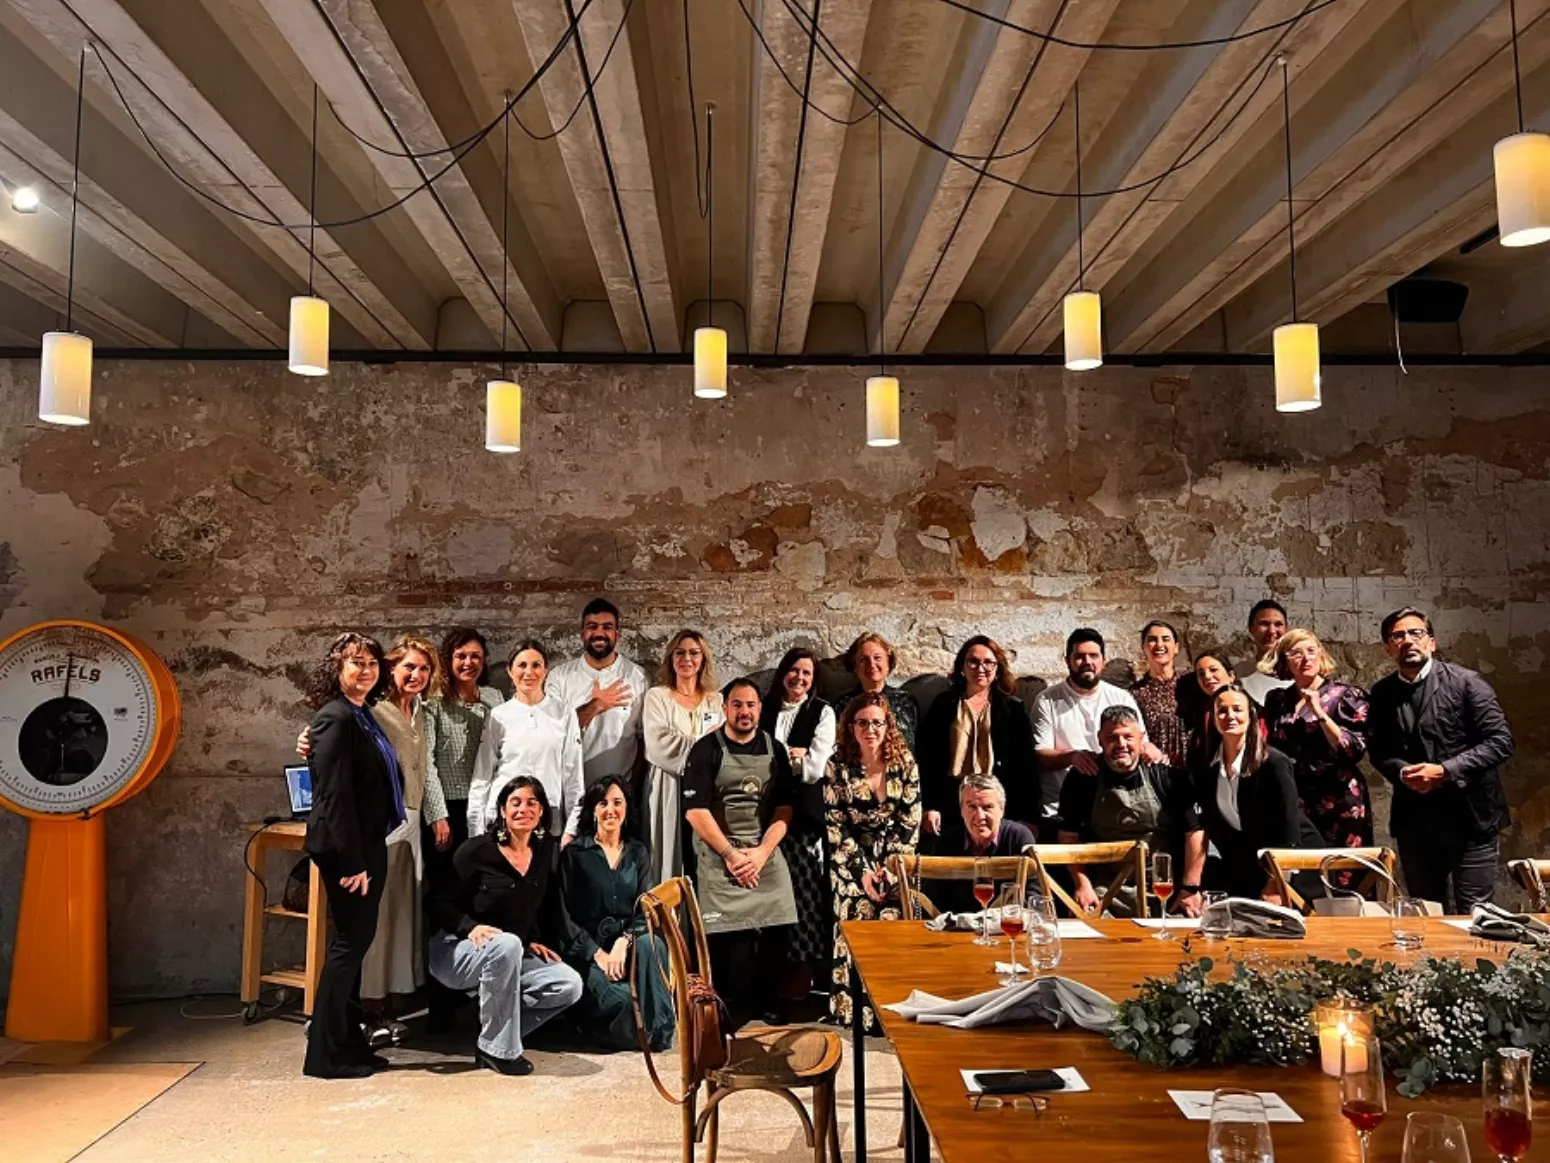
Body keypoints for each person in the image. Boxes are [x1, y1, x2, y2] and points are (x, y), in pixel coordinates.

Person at [426, 777, 585, 1075]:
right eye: (516, 803)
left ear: (541, 811)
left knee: (568, 984)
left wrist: (532, 938)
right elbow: (436, 902)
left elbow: (532, 904)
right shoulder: (476, 851)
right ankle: (499, 1052)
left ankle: (490, 1029)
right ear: (502, 810)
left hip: (511, 950)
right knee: (507, 943)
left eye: (532, 803)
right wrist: (469, 927)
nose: (524, 809)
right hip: (455, 950)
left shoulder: (545, 850)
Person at [301, 633, 405, 1079]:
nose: (366, 670)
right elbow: (334, 795)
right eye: (356, 663)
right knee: (349, 947)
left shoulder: (361, 714)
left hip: (366, 843)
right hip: (349, 850)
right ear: (337, 669)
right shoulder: (335, 717)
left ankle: (350, 1045)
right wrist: (353, 862)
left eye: (372, 663)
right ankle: (323, 1056)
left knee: (355, 946)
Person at [1369, 607, 1515, 910]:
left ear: (1431, 643)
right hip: (1416, 823)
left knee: (1475, 913)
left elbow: (1500, 741)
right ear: (1388, 649)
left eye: (1416, 633)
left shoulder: (1467, 683)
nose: (1408, 641)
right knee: (1426, 911)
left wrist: (1446, 771)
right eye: (1398, 636)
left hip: (1471, 819)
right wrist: (1404, 773)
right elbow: (1380, 750)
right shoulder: (1382, 693)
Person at [681, 677, 797, 1028]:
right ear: (725, 708)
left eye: (750, 705)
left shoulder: (775, 749)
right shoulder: (705, 750)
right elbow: (696, 812)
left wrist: (761, 854)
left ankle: (769, 1000)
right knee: (725, 938)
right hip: (719, 851)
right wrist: (732, 855)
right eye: (737, 705)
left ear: (759, 709)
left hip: (763, 849)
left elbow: (784, 809)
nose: (744, 712)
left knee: (780, 920)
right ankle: (724, 1006)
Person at [361, 635, 443, 1036]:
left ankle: (392, 1002)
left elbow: (426, 767)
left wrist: (436, 815)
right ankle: (370, 1007)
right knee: (379, 915)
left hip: (412, 823)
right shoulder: (373, 709)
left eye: (424, 668)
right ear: (392, 667)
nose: (416, 674)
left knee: (404, 912)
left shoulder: (422, 712)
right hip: (382, 823)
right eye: (409, 666)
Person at [824, 692, 920, 1031]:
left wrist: (890, 871)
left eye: (877, 723)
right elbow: (836, 826)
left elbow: (910, 822)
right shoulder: (837, 765)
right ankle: (857, 1012)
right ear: (851, 727)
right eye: (862, 723)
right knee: (860, 910)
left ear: (888, 726)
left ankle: (892, 1011)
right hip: (851, 860)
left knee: (894, 915)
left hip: (895, 861)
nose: (870, 729)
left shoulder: (904, 762)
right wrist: (863, 873)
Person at [559, 777, 674, 1052]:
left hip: (626, 946)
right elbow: (563, 916)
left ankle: (659, 1033)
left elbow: (645, 907)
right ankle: (596, 1026)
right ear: (593, 810)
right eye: (602, 803)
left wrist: (625, 940)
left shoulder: (638, 852)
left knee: (653, 944)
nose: (610, 810)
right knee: (621, 1003)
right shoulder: (574, 854)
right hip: (588, 951)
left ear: (626, 808)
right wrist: (597, 954)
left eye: (617, 802)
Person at [1057, 706, 1205, 917]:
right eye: (1112, 738)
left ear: (1141, 738)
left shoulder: (1165, 775)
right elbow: (1068, 837)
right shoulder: (1083, 778)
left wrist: (1190, 888)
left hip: (1164, 888)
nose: (1121, 744)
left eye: (1128, 737)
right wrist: (1082, 884)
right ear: (1100, 740)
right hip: (1105, 890)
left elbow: (1195, 832)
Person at [1192, 685, 1322, 905]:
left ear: (1250, 716)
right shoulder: (1208, 768)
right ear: (1212, 718)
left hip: (1294, 869)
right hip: (1251, 869)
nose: (1230, 716)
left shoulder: (1274, 763)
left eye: (1237, 709)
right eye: (1222, 710)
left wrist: (1277, 882)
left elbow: (1288, 828)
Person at [759, 648, 837, 994]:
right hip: (764, 815)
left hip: (804, 819)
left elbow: (815, 769)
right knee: (768, 898)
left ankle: (802, 976)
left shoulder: (823, 712)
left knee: (804, 896)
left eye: (806, 673)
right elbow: (754, 759)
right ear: (782, 673)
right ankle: (769, 977)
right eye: (794, 670)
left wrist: (782, 759)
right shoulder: (763, 708)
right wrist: (792, 755)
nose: (799, 678)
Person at [1032, 628, 1155, 837]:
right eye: (1079, 656)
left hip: (1112, 809)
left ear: (1103, 661)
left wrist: (1151, 751)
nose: (1087, 662)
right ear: (1067, 661)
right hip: (1059, 809)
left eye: (1093, 656)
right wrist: (1072, 757)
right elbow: (1041, 755)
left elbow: (1140, 743)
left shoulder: (1121, 697)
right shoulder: (1047, 700)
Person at [1261, 629, 1374, 857]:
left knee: (1342, 868)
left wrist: (1319, 713)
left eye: (1311, 651)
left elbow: (1354, 750)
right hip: (1296, 797)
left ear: (1321, 655)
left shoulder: (1346, 695)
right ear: (1285, 660)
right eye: (1296, 653)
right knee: (1300, 867)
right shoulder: (1278, 699)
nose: (1306, 658)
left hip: (1338, 797)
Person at [917, 635, 1038, 841]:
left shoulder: (1012, 709)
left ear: (997, 668)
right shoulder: (944, 704)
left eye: (988, 662)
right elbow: (928, 758)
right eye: (973, 661)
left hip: (996, 801)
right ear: (962, 667)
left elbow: (1025, 765)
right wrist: (930, 806)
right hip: (951, 800)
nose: (980, 668)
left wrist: (1027, 815)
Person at [466, 641, 584, 843]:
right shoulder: (498, 715)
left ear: (546, 671)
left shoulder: (564, 713)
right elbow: (482, 775)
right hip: (503, 820)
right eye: (522, 665)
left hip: (548, 819)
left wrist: (571, 829)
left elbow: (573, 776)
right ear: (510, 671)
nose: (529, 672)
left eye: (536, 665)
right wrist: (475, 833)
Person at [641, 630, 725, 886]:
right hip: (668, 785)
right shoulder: (657, 697)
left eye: (693, 653)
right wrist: (704, 745)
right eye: (680, 653)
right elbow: (658, 745)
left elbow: (724, 747)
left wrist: (702, 746)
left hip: (707, 789)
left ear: (703, 659)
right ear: (671, 658)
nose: (686, 659)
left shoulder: (716, 700)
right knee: (668, 855)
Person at [546, 598, 649, 792]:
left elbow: (644, 739)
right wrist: (595, 706)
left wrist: (633, 786)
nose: (599, 633)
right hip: (570, 790)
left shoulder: (637, 676)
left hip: (620, 793)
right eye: (592, 627)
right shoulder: (559, 677)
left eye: (607, 627)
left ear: (617, 635)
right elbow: (552, 734)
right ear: (582, 634)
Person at [424, 628, 504, 858]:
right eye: (461, 656)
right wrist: (438, 816)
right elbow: (426, 762)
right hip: (449, 806)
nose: (468, 662)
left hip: (486, 802)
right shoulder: (434, 702)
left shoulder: (494, 697)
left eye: (475, 656)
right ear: (448, 660)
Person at [925, 774, 1036, 914]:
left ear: (1002, 809)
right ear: (961, 810)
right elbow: (932, 900)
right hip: (956, 925)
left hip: (1005, 924)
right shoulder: (946, 844)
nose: (979, 816)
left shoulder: (1018, 838)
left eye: (987, 807)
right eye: (971, 807)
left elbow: (1034, 897)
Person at [1129, 620, 1193, 767]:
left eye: (1165, 639)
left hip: (1196, 771)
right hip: (1156, 772)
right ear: (1144, 648)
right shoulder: (1134, 694)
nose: (1159, 645)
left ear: (1176, 647)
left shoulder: (1191, 684)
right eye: (1152, 640)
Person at [844, 632, 919, 753]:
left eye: (877, 658)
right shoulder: (844, 704)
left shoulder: (905, 701)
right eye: (864, 660)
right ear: (855, 667)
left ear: (888, 662)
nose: (871, 664)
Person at [1235, 600, 1293, 707]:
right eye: (1264, 624)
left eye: (1278, 624)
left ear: (1286, 629)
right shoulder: (1239, 673)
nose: (1271, 631)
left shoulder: (1297, 671)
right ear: (1251, 628)